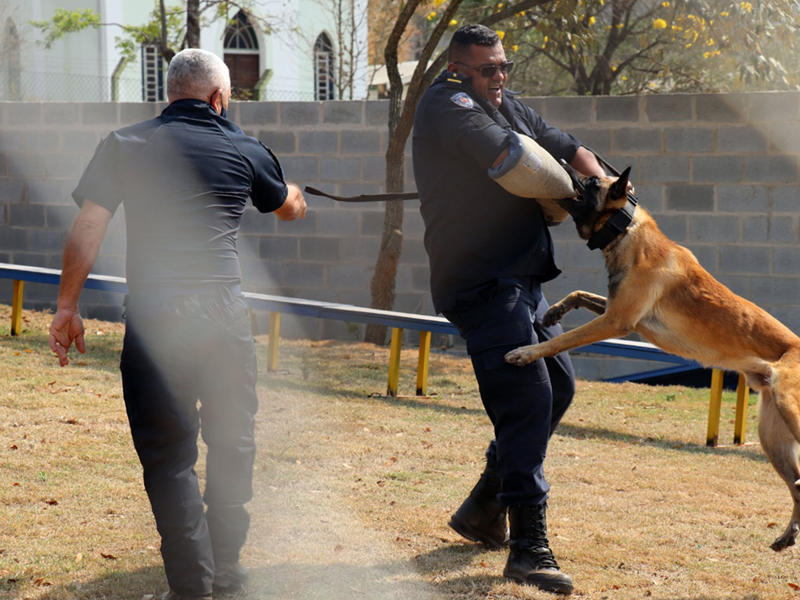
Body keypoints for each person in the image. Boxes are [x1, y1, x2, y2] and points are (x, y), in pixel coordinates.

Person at [48, 48, 306, 600]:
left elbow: (88, 226)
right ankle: (228, 573)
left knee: (169, 460)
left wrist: (67, 306)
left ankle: (193, 588)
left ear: (170, 93)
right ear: (218, 97)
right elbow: (285, 207)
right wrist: (297, 196)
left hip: (155, 315)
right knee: (232, 441)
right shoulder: (243, 144)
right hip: (222, 313)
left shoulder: (125, 144)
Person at [412, 24, 610, 596]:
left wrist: (608, 187)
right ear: (458, 69)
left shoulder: (505, 101)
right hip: (479, 279)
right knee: (528, 398)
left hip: (520, 279)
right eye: (487, 69)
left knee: (560, 388)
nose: (499, 77)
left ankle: (482, 507)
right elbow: (509, 157)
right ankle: (528, 549)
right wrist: (580, 195)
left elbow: (564, 143)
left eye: (503, 66)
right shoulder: (448, 103)